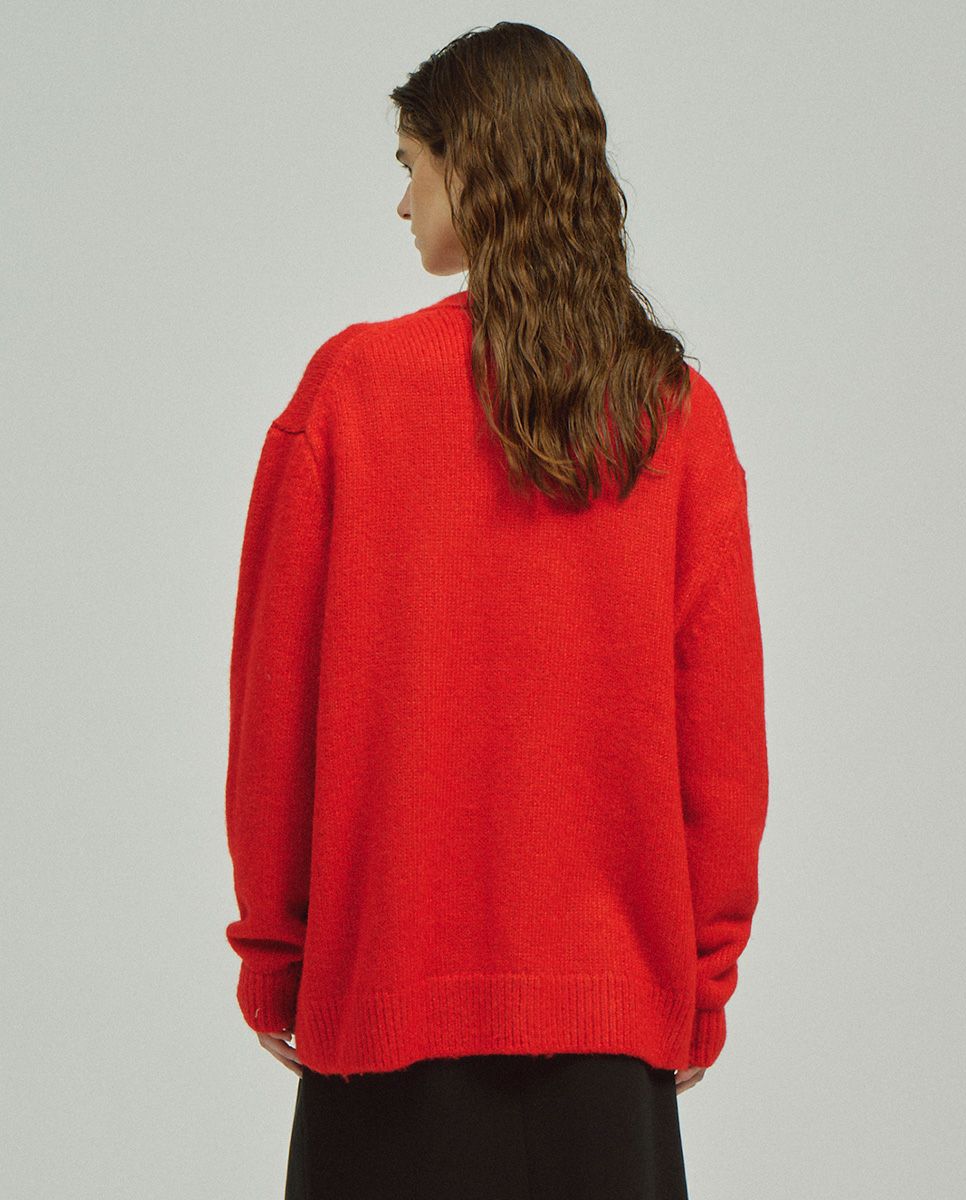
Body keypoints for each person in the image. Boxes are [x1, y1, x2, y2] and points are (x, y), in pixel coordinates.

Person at [224, 21, 769, 1200]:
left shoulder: (350, 392)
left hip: (385, 1018)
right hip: (609, 1034)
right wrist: (699, 983)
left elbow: (276, 709)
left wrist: (277, 952)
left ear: (468, 166)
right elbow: (723, 744)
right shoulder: (674, 412)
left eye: (411, 164)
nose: (402, 199)